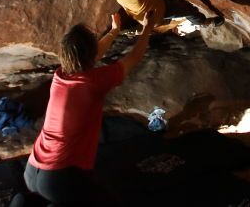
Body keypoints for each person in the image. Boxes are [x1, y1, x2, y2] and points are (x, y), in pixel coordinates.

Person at [23, 10, 155, 205]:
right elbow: (134, 57)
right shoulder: (93, 82)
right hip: (59, 177)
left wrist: (114, 31)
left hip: (33, 169)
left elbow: (91, 56)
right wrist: (147, 28)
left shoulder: (61, 75)